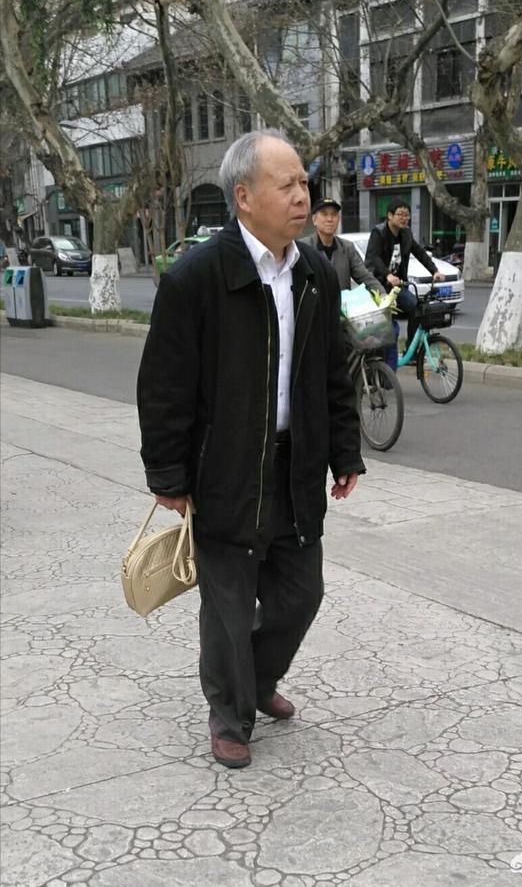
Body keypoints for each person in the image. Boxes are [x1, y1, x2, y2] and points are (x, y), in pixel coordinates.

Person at [137, 130, 365, 770]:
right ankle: (231, 715)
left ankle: (259, 679)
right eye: (286, 185)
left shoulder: (315, 273)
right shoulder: (196, 279)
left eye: (304, 184)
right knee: (229, 608)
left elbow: (333, 372)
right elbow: (163, 387)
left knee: (301, 595)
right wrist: (168, 475)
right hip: (226, 471)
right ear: (243, 197)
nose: (302, 197)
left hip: (295, 466)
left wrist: (344, 452)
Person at [365, 198, 445, 369]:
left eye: (407, 215)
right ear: (390, 216)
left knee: (416, 307)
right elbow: (373, 258)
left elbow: (420, 253)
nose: (404, 218)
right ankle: (381, 362)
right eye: (400, 214)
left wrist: (435, 271)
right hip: (378, 285)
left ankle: (411, 352)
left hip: (397, 285)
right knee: (387, 327)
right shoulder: (379, 233)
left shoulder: (406, 234)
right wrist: (387, 275)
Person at [301, 197, 384, 295]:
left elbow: (365, 277)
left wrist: (383, 295)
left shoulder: (347, 247)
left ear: (339, 219)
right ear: (314, 220)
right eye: (324, 214)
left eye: (334, 214)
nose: (330, 219)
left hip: (341, 304)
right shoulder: (303, 248)